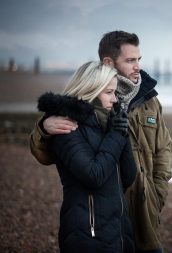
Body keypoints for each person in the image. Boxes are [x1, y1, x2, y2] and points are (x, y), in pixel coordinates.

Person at [30, 31, 172, 253]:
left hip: (144, 211)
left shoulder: (150, 101)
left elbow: (163, 149)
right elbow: (46, 154)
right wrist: (43, 128)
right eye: (130, 60)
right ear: (108, 61)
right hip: (100, 216)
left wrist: (157, 194)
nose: (137, 66)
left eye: (139, 59)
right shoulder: (77, 109)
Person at [37, 61, 137, 252]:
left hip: (119, 231)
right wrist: (116, 135)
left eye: (115, 92)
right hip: (87, 235)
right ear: (89, 91)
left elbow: (128, 176)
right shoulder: (66, 127)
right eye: (109, 92)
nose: (115, 99)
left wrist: (123, 132)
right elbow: (94, 175)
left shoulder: (107, 123)